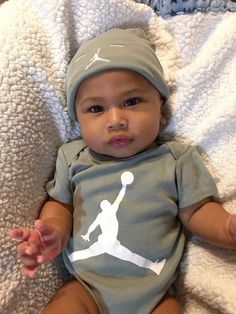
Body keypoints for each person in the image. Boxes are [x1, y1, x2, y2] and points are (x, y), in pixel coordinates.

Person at [10, 28, 236, 314]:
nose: (116, 120)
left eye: (132, 102)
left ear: (160, 104)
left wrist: (227, 227)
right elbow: (60, 205)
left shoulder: (175, 159)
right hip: (85, 287)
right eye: (96, 108)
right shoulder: (74, 157)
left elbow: (197, 211)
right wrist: (52, 233)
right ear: (77, 118)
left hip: (155, 295)